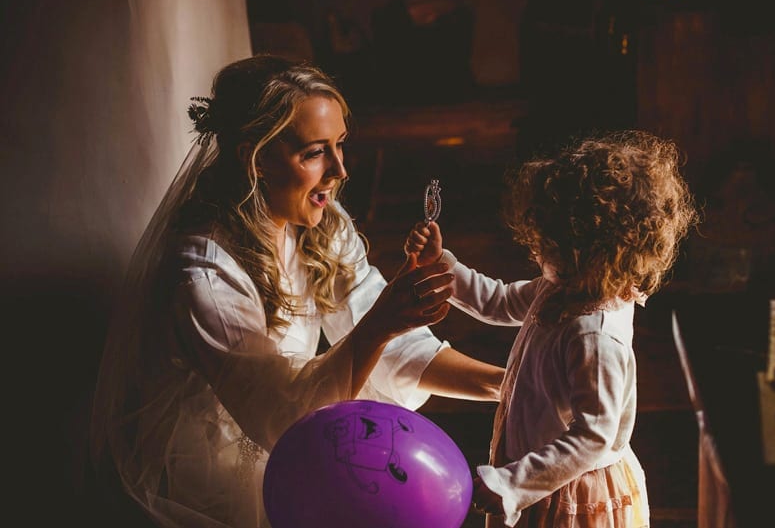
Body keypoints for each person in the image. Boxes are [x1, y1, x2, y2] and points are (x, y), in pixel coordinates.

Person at [89, 55, 504, 528]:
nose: (340, 171)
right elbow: (278, 421)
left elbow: (394, 346)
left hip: (298, 435)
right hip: (214, 475)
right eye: (314, 152)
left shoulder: (321, 222)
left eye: (340, 145)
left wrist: (510, 384)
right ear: (257, 157)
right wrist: (384, 321)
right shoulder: (203, 272)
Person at [405, 130, 698, 527]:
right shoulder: (561, 285)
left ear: (590, 253)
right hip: (537, 467)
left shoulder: (594, 335)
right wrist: (445, 267)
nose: (536, 250)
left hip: (567, 490)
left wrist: (513, 483)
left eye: (549, 244)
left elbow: (593, 437)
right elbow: (501, 301)